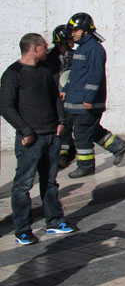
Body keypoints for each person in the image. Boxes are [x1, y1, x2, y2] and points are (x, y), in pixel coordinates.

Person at [0, 33, 76, 244]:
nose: (47, 48)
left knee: (50, 182)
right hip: (30, 140)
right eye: (44, 46)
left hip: (51, 135)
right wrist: (25, 131)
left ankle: (54, 221)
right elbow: (6, 107)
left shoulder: (45, 71)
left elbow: (55, 97)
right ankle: (23, 229)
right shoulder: (12, 74)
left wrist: (60, 122)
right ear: (33, 48)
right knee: (23, 185)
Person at [62, 13, 125, 179]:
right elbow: (76, 75)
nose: (73, 33)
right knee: (90, 131)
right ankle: (117, 146)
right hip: (77, 100)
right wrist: (67, 89)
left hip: (87, 103)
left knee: (82, 134)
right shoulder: (82, 48)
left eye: (76, 29)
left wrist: (89, 98)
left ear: (86, 30)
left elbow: (95, 76)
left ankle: (85, 166)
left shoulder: (94, 49)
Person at [41, 25, 76, 169]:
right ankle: (59, 153)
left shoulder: (75, 55)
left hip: (69, 97)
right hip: (54, 96)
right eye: (69, 40)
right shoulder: (49, 58)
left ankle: (64, 154)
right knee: (59, 125)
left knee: (67, 125)